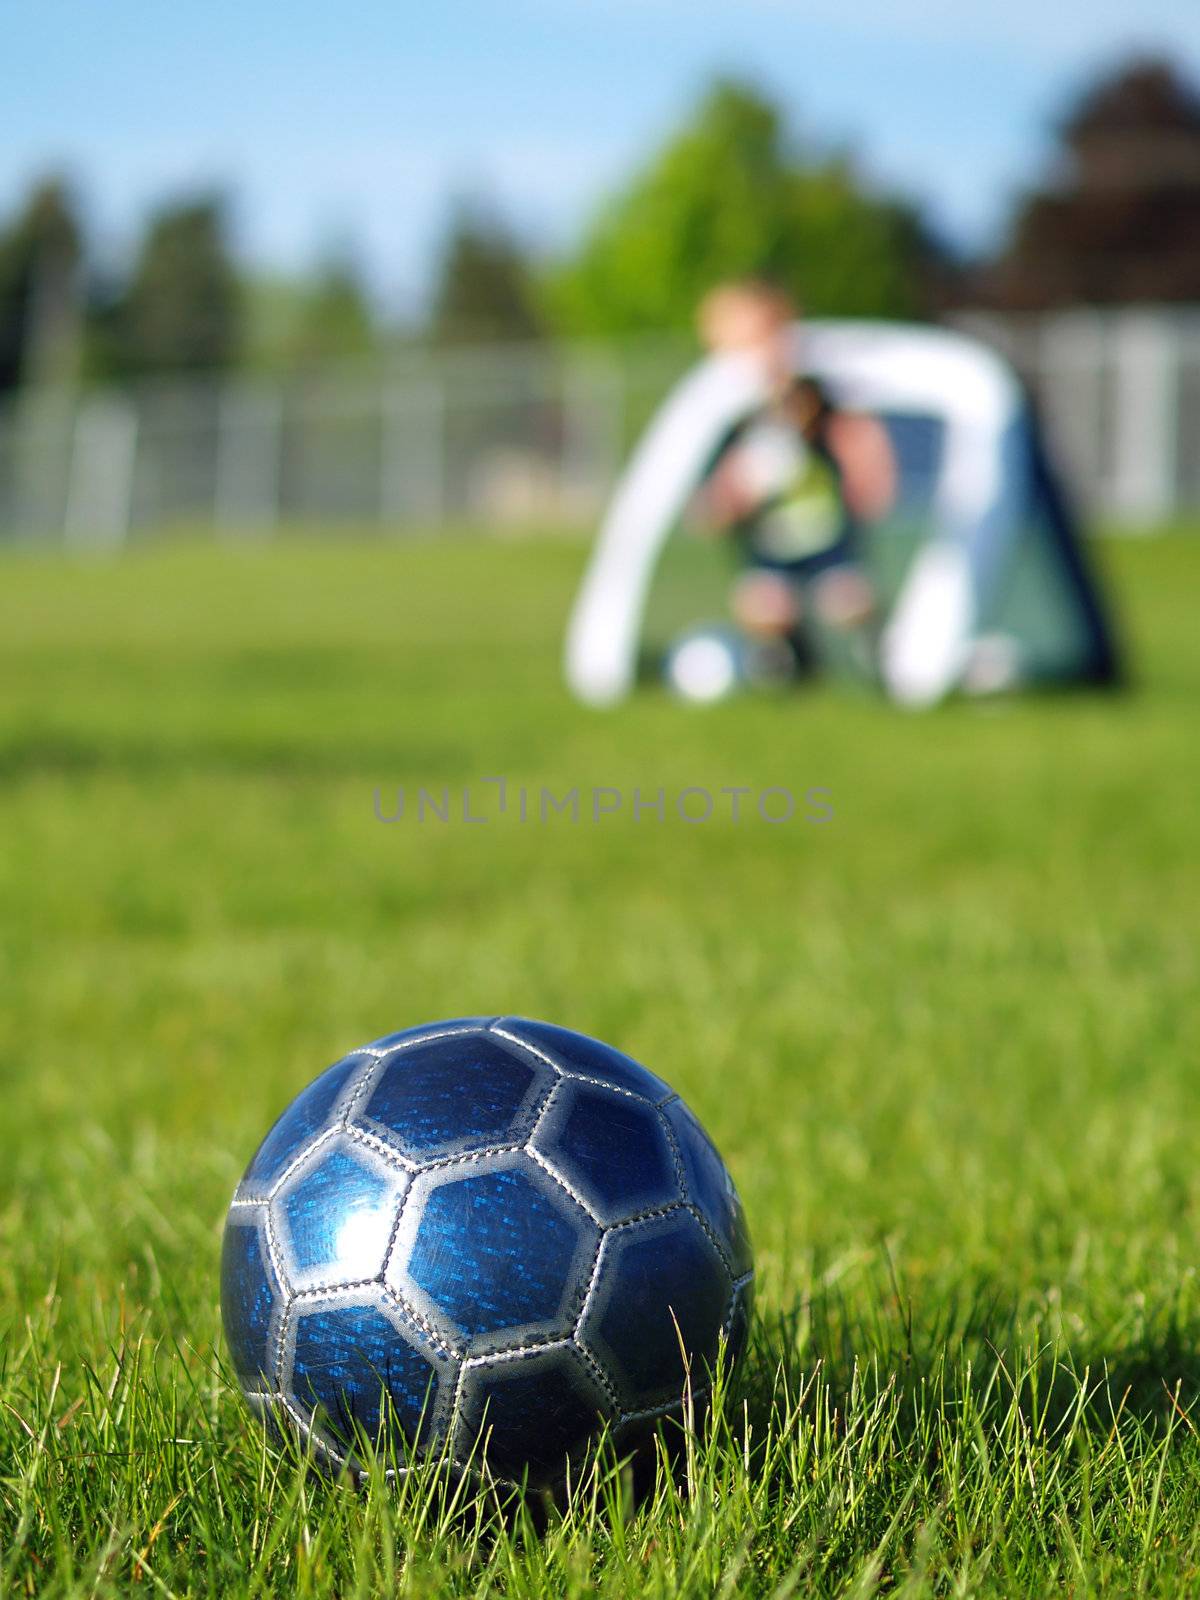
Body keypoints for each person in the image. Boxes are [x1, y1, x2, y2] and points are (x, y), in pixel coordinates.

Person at [694, 281, 896, 679]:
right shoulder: (726, 419)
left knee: (846, 600)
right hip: (770, 548)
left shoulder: (820, 399)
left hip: (829, 540)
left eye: (765, 336)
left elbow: (860, 446)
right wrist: (735, 492)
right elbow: (709, 510)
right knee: (766, 606)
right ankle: (791, 661)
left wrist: (867, 467)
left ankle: (878, 654)